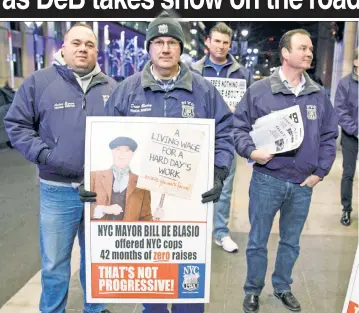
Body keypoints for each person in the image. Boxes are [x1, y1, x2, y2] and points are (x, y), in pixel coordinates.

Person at [79, 11, 234, 313]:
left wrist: (218, 171)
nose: (165, 48)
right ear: (149, 48)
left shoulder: (202, 90)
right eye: (159, 42)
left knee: (190, 290)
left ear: (181, 48)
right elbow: (105, 138)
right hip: (145, 208)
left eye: (172, 42)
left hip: (191, 205)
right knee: (153, 289)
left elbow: (225, 132)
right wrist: (93, 184)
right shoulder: (127, 90)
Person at [4, 23, 116, 313]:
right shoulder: (39, 82)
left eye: (89, 45)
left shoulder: (112, 88)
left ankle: (96, 308)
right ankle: (53, 310)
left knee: (97, 258)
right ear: (63, 48)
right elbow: (17, 124)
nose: (82, 49)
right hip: (57, 190)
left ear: (96, 52)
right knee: (54, 263)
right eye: (76, 43)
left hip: (102, 191)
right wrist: (46, 155)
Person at [233, 29, 338, 313]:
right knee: (257, 241)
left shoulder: (317, 94)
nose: (309, 53)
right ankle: (253, 290)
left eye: (311, 50)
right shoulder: (259, 91)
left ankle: (282, 287)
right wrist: (251, 151)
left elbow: (330, 135)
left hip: (303, 185)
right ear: (285, 53)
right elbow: (238, 128)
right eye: (303, 48)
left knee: (290, 243)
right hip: (267, 180)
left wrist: (321, 172)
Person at [193, 22, 253, 253]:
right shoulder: (193, 71)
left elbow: (248, 106)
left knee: (225, 186)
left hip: (226, 136)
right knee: (192, 183)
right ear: (208, 42)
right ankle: (196, 228)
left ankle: (220, 232)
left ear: (230, 45)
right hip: (197, 136)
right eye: (216, 41)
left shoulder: (242, 73)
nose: (220, 46)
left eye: (225, 42)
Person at [90, 136, 152, 221]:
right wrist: (104, 209)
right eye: (118, 149)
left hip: (128, 233)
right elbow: (83, 209)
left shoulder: (142, 183)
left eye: (127, 150)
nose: (121, 154)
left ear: (132, 155)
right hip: (99, 232)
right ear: (112, 152)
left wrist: (157, 220)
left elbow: (146, 218)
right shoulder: (94, 176)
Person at [335, 47, 358, 226]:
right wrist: (356, 130)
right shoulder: (345, 84)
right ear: (356, 62)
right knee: (348, 174)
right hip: (351, 137)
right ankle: (346, 209)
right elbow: (341, 112)